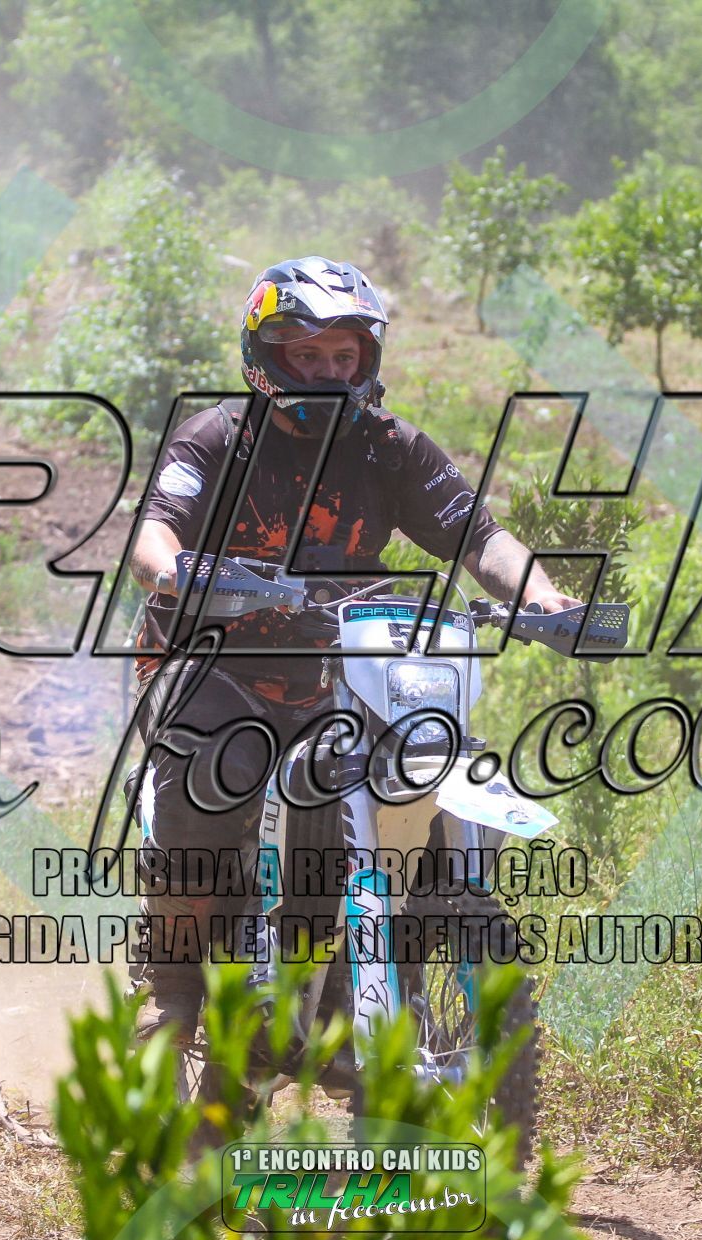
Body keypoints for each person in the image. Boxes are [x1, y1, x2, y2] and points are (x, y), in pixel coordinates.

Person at [122, 256, 578, 1037]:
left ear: (367, 358)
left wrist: (540, 594)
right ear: (267, 354)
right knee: (218, 770)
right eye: (308, 354)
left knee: (428, 778)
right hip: (207, 663)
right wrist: (174, 571)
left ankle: (369, 990)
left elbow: (480, 537)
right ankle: (173, 986)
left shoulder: (387, 446)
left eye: (344, 355)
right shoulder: (216, 439)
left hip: (344, 670)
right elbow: (153, 533)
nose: (329, 371)